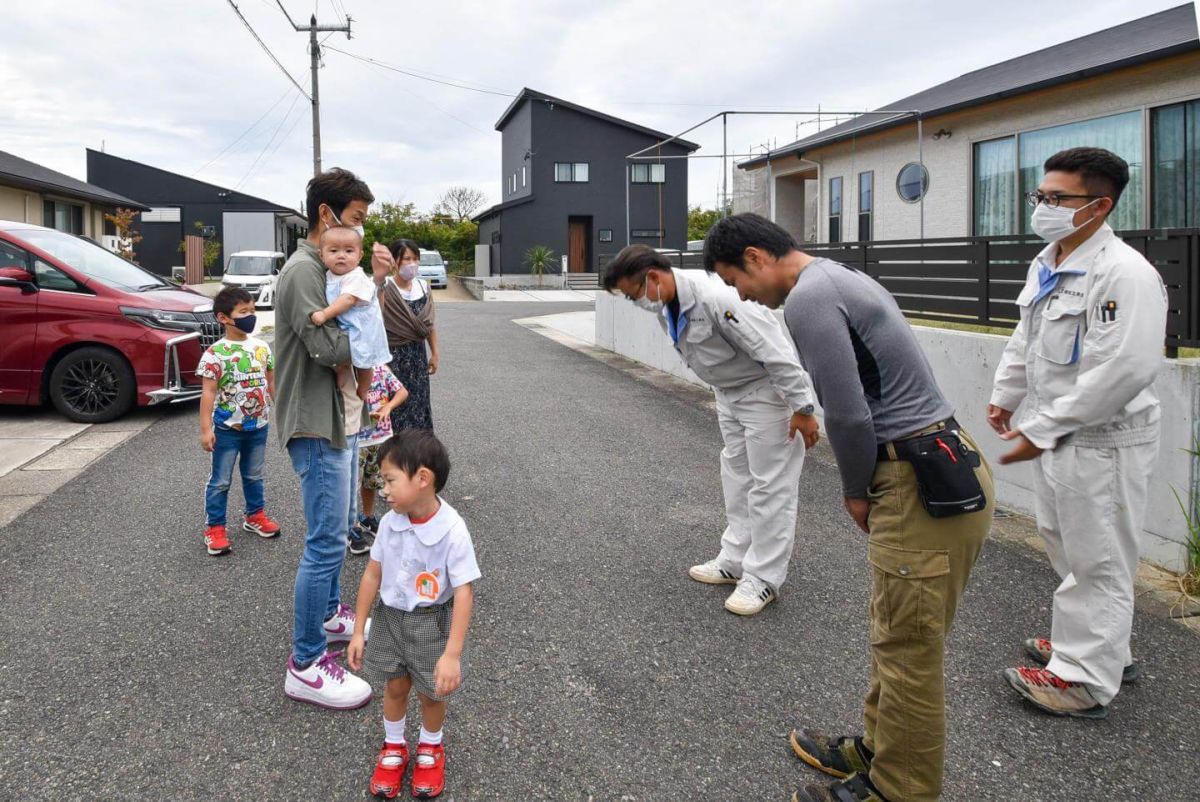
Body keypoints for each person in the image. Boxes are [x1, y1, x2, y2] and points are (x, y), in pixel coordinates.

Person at [705, 213, 994, 802]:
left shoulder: (808, 301)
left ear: (757, 257)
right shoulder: (836, 278)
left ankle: (898, 789)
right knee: (896, 632)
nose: (740, 294)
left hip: (914, 477)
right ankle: (876, 747)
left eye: (736, 279)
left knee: (910, 648)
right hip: (938, 461)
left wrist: (855, 489)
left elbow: (848, 412)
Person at [987, 147, 1167, 719]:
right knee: (1065, 542)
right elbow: (1027, 335)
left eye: (1058, 198)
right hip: (1057, 430)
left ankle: (1084, 679)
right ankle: (1098, 647)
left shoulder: (1123, 272)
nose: (1043, 207)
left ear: (1100, 206)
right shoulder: (1050, 261)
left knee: (1100, 558)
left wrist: (1045, 426)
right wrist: (1006, 393)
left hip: (1101, 438)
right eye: (1040, 196)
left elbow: (1125, 369)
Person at [603, 244, 818, 616]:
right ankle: (734, 559)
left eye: (633, 294)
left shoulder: (716, 297)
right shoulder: (668, 305)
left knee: (771, 483)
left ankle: (764, 578)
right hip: (729, 393)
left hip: (765, 393)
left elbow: (774, 351)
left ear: (653, 277)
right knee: (736, 474)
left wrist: (802, 407)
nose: (636, 302)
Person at [275, 167, 387, 710]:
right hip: (315, 419)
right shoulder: (302, 271)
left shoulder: (326, 267)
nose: (360, 233)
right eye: (356, 218)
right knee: (323, 542)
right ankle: (306, 663)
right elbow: (326, 348)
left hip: (336, 416)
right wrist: (365, 337)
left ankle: (328, 612)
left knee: (340, 528)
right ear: (327, 214)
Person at [347, 430, 480, 800]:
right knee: (394, 684)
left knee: (432, 692)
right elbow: (372, 573)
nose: (383, 490)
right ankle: (393, 747)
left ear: (422, 479)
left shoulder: (452, 530)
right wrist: (359, 630)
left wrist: (452, 654)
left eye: (390, 480)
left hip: (430, 621)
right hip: (390, 618)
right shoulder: (390, 522)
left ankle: (430, 747)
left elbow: (465, 590)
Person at [197, 286, 280, 555]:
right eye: (243, 312)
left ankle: (254, 515)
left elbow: (271, 383)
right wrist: (206, 429)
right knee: (221, 480)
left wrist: (282, 410)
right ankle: (215, 527)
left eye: (252, 311)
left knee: (254, 474)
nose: (250, 317)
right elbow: (208, 392)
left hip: (258, 426)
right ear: (223, 318)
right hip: (226, 429)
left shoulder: (262, 347)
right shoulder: (215, 353)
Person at [310, 226, 393, 401]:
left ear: (360, 256)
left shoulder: (355, 276)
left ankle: (364, 389)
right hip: (347, 324)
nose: (341, 255)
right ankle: (343, 370)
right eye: (333, 250)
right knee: (343, 355)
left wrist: (324, 314)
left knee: (364, 361)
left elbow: (348, 300)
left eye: (349, 251)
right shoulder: (328, 275)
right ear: (321, 255)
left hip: (363, 327)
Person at [348, 364, 410, 556]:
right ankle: (350, 526)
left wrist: (388, 407)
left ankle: (367, 516)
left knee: (371, 481)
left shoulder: (381, 369)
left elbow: (402, 392)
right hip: (356, 438)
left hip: (380, 438)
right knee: (349, 484)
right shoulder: (348, 371)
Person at [379, 239, 438, 432]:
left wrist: (435, 353)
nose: (412, 263)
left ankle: (419, 455)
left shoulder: (423, 287)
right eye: (406, 259)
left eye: (415, 258)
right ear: (395, 261)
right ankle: (394, 457)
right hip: (392, 357)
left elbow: (429, 324)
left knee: (419, 405)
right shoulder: (384, 287)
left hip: (418, 358)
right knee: (395, 407)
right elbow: (376, 324)